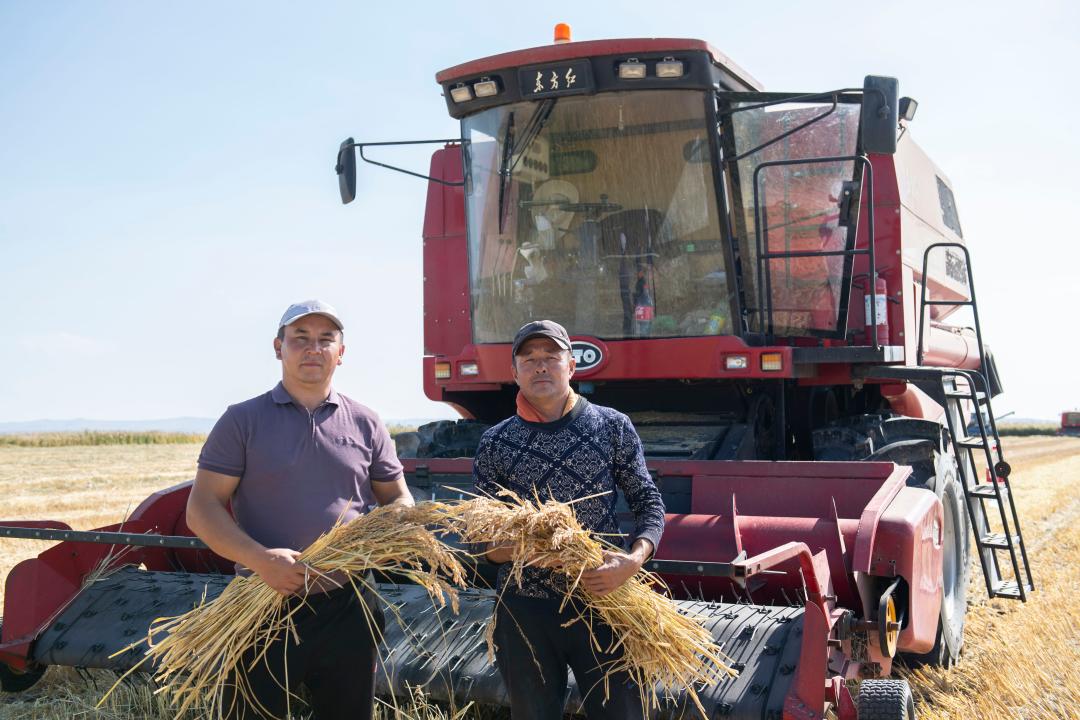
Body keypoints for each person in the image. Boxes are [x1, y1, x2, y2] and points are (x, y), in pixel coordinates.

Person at [186, 300, 413, 720]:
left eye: (326, 340)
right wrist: (260, 559)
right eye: (300, 339)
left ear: (340, 353)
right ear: (279, 348)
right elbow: (201, 509)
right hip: (263, 605)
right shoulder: (242, 421)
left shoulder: (366, 422)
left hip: (348, 605)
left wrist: (385, 530)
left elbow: (398, 499)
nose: (313, 349)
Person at [472, 319, 665, 720]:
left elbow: (649, 503)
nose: (540, 366)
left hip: (604, 602)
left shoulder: (611, 426)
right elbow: (482, 542)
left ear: (572, 366)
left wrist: (631, 562)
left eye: (551, 357)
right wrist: (527, 552)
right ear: (514, 372)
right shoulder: (495, 442)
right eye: (529, 359)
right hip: (524, 612)